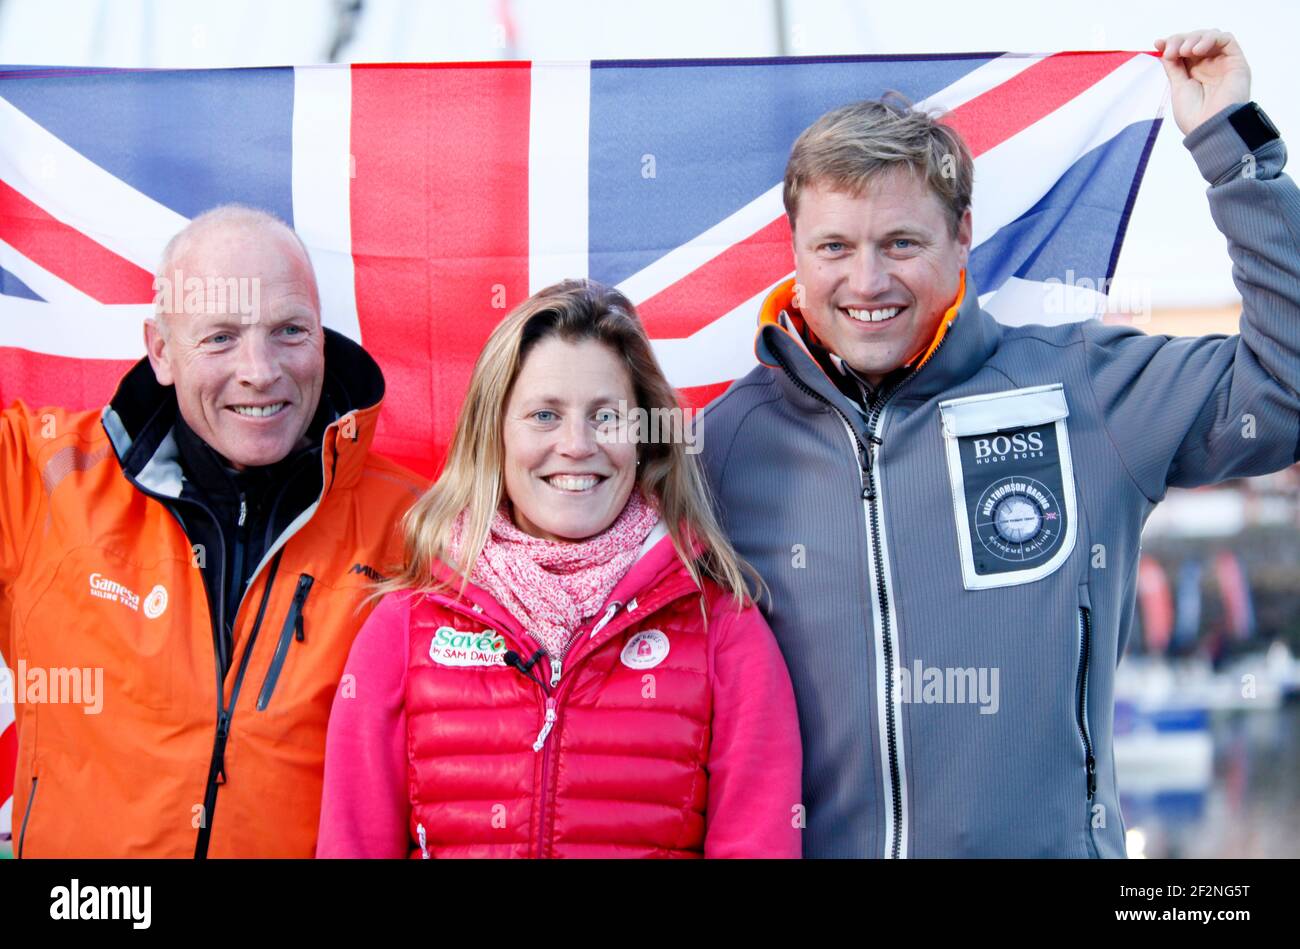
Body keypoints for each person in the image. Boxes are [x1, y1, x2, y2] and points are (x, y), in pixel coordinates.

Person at [700, 30, 1300, 857]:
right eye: (834, 247)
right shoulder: (723, 442)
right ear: (796, 255)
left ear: (962, 237)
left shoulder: (1084, 390)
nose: (867, 281)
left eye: (901, 243)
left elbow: (1285, 387)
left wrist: (1234, 155)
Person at [316, 279, 801, 858]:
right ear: (493, 434)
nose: (576, 445)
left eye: (606, 417)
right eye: (544, 415)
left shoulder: (724, 632)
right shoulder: (403, 629)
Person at [0, 205, 424, 857]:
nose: (259, 369)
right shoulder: (41, 476)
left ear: (321, 337)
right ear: (161, 350)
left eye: (289, 331)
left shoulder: (418, 525)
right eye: (220, 337)